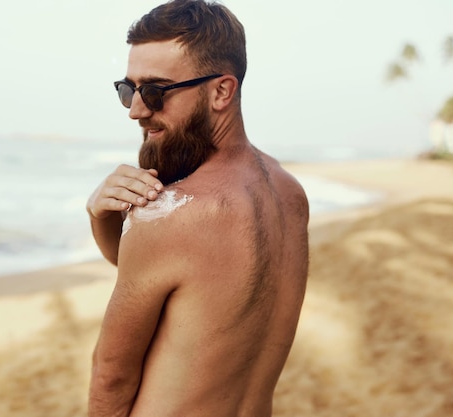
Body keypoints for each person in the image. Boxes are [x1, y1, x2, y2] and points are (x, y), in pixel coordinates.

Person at [85, 1, 309, 416]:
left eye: (154, 91)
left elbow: (111, 376)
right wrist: (101, 217)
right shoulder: (289, 194)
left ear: (222, 91)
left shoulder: (171, 216)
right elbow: (185, 284)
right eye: (127, 90)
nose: (136, 110)